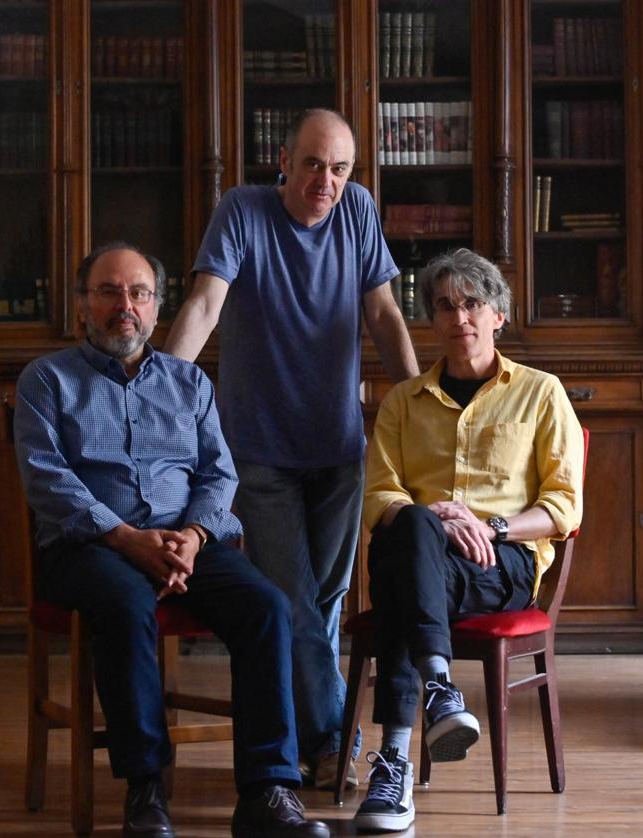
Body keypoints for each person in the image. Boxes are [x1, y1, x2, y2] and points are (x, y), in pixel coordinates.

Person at [14, 242, 328, 838]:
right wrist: (126, 537)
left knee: (266, 607)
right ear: (83, 304)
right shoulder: (47, 380)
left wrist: (192, 534)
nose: (123, 306)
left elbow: (219, 473)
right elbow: (47, 479)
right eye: (108, 292)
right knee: (126, 603)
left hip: (185, 543)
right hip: (89, 549)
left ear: (158, 307)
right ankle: (146, 790)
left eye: (138, 293)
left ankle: (267, 792)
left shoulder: (190, 385)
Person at [165, 108, 419, 787]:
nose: (325, 181)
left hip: (338, 448)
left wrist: (420, 401)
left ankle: (309, 747)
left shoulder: (358, 211)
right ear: (284, 159)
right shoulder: (243, 211)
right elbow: (204, 304)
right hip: (258, 451)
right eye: (312, 164)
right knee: (296, 605)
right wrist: (160, 389)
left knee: (326, 604)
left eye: (339, 168)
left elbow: (384, 312)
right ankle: (337, 746)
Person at [352, 248, 584, 832]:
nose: (461, 317)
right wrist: (435, 518)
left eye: (473, 303)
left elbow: (563, 505)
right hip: (420, 549)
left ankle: (394, 768)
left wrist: (490, 526)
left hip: (499, 563)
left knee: (403, 583)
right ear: (431, 319)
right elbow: (380, 495)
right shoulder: (402, 403)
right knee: (412, 530)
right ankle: (439, 685)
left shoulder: (540, 392)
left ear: (498, 314)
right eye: (445, 306)